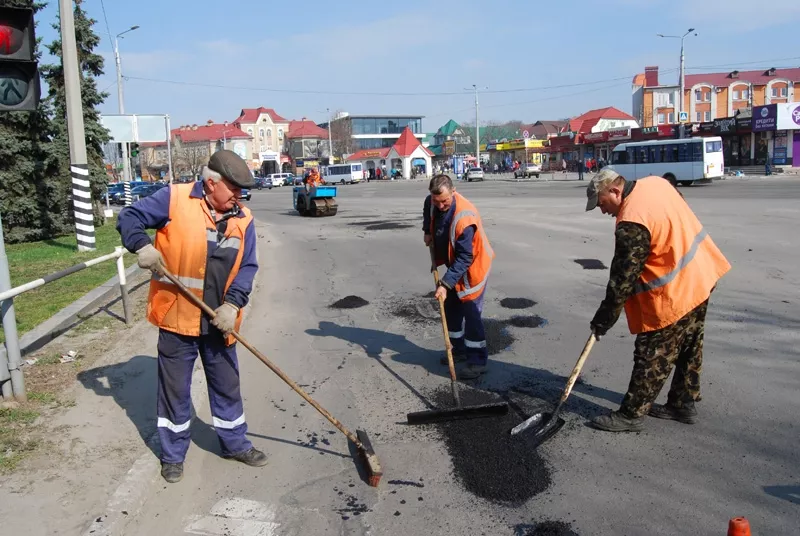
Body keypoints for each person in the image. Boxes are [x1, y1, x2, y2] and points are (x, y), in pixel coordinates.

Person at [117, 150, 266, 483]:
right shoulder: (175, 199)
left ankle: (234, 443)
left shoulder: (244, 218)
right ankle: (172, 455)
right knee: (174, 392)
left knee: (227, 386)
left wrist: (232, 305)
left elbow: (247, 267)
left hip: (219, 322)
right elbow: (129, 217)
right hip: (177, 317)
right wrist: (141, 245)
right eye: (233, 188)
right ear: (211, 183)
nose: (239, 195)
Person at [584, 169, 731, 432]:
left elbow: (623, 279)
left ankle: (631, 415)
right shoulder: (657, 184)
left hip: (674, 292)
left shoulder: (631, 221)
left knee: (651, 354)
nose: (602, 211)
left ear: (615, 191)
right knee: (689, 346)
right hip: (702, 274)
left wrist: (604, 319)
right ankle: (682, 403)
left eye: (602, 203)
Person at [422, 174, 495, 380]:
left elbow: (465, 258)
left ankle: (477, 361)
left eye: (445, 201)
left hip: (474, 267)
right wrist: (427, 230)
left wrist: (445, 284)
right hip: (455, 264)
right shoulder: (433, 201)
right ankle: (459, 350)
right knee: (451, 308)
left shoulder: (465, 218)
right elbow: (428, 206)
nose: (441, 205)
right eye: (437, 201)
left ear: (453, 192)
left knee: (471, 313)